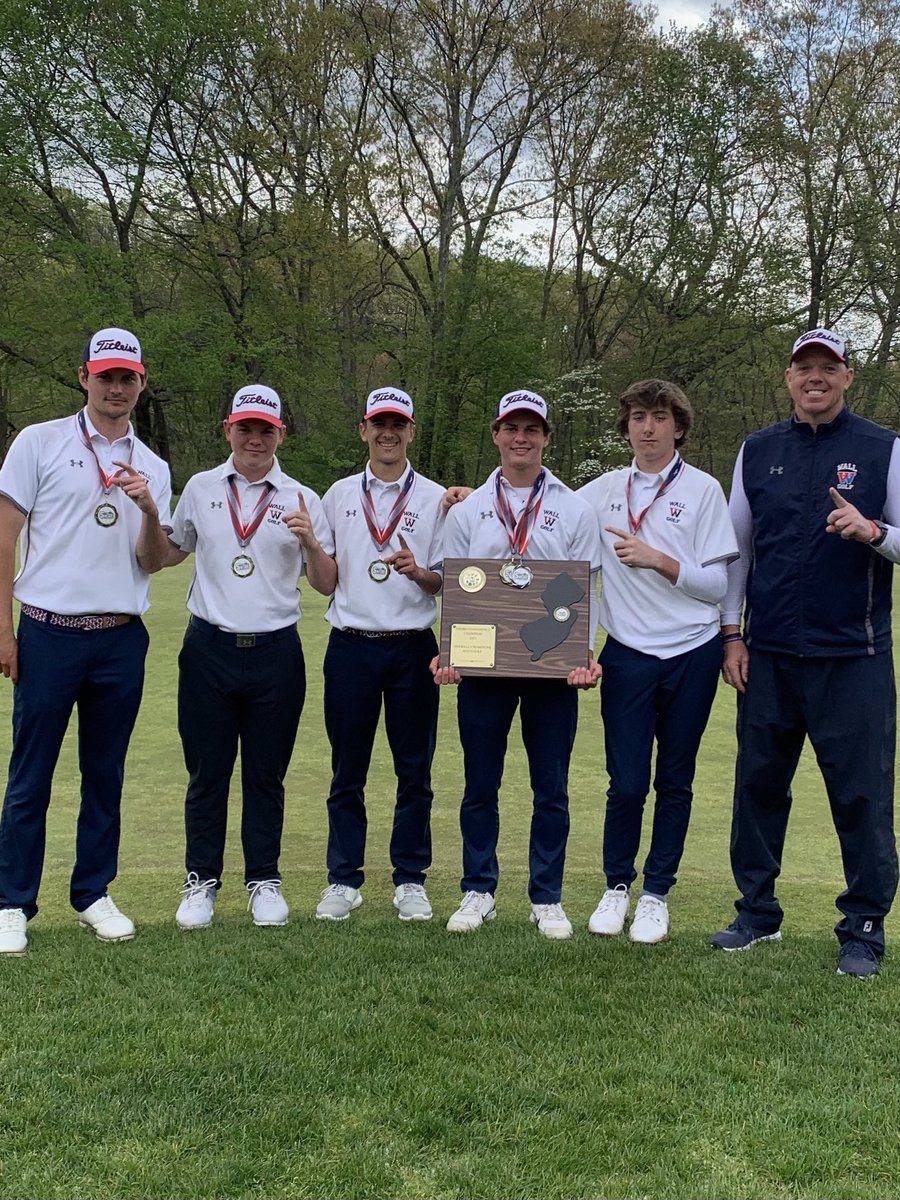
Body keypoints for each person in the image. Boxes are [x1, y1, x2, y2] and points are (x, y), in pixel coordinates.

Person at [712, 328, 900, 978]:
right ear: (788, 378)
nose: (815, 377)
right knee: (759, 787)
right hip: (767, 657)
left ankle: (864, 930)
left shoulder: (883, 448)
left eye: (828, 367)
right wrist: (731, 634)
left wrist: (874, 531)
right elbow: (734, 550)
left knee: (861, 797)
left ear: (848, 377)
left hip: (855, 656)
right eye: (804, 368)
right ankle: (756, 916)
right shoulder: (758, 450)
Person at [0, 327, 172, 956]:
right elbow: (4, 538)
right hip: (48, 632)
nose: (117, 387)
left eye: (128, 377)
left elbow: (153, 561)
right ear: (84, 378)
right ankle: (12, 900)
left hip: (120, 638)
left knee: (105, 774)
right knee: (31, 774)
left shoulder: (152, 465)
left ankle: (93, 893)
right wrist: (4, 629)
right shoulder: (39, 442)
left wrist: (152, 511)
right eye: (106, 376)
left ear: (141, 382)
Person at [139, 385, 336, 929]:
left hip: (276, 653)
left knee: (266, 774)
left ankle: (263, 880)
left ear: (280, 435)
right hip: (209, 649)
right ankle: (201, 879)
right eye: (245, 428)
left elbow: (326, 585)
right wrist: (150, 514)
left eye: (265, 430)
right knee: (207, 773)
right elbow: (163, 557)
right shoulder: (202, 488)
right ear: (228, 429)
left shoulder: (301, 498)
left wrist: (313, 544)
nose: (254, 439)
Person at [434, 389, 602, 940]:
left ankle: (546, 897)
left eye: (532, 428)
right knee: (480, 784)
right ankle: (477, 890)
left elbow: (584, 588)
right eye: (511, 428)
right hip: (483, 671)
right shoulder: (467, 510)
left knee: (549, 787)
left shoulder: (575, 509)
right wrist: (449, 649)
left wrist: (583, 653)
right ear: (496, 435)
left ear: (546, 438)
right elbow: (455, 587)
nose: (521, 437)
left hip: (551, 669)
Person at [578, 380, 738, 944]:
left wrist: (661, 562)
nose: (648, 427)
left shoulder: (703, 490)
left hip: (692, 652)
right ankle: (616, 885)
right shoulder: (599, 492)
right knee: (625, 783)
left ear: (679, 427)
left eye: (660, 417)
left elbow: (718, 584)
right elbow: (543, 520)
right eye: (639, 417)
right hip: (627, 654)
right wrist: (463, 496)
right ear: (625, 427)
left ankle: (656, 893)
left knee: (675, 780)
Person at [310, 388, 446, 923]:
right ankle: (343, 879)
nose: (388, 432)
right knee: (348, 771)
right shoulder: (339, 494)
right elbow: (325, 582)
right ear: (364, 429)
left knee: (415, 771)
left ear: (411, 431)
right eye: (378, 423)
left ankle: (410, 878)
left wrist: (418, 572)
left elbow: (446, 583)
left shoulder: (436, 498)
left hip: (413, 647)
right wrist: (308, 546)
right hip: (351, 647)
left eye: (398, 423)